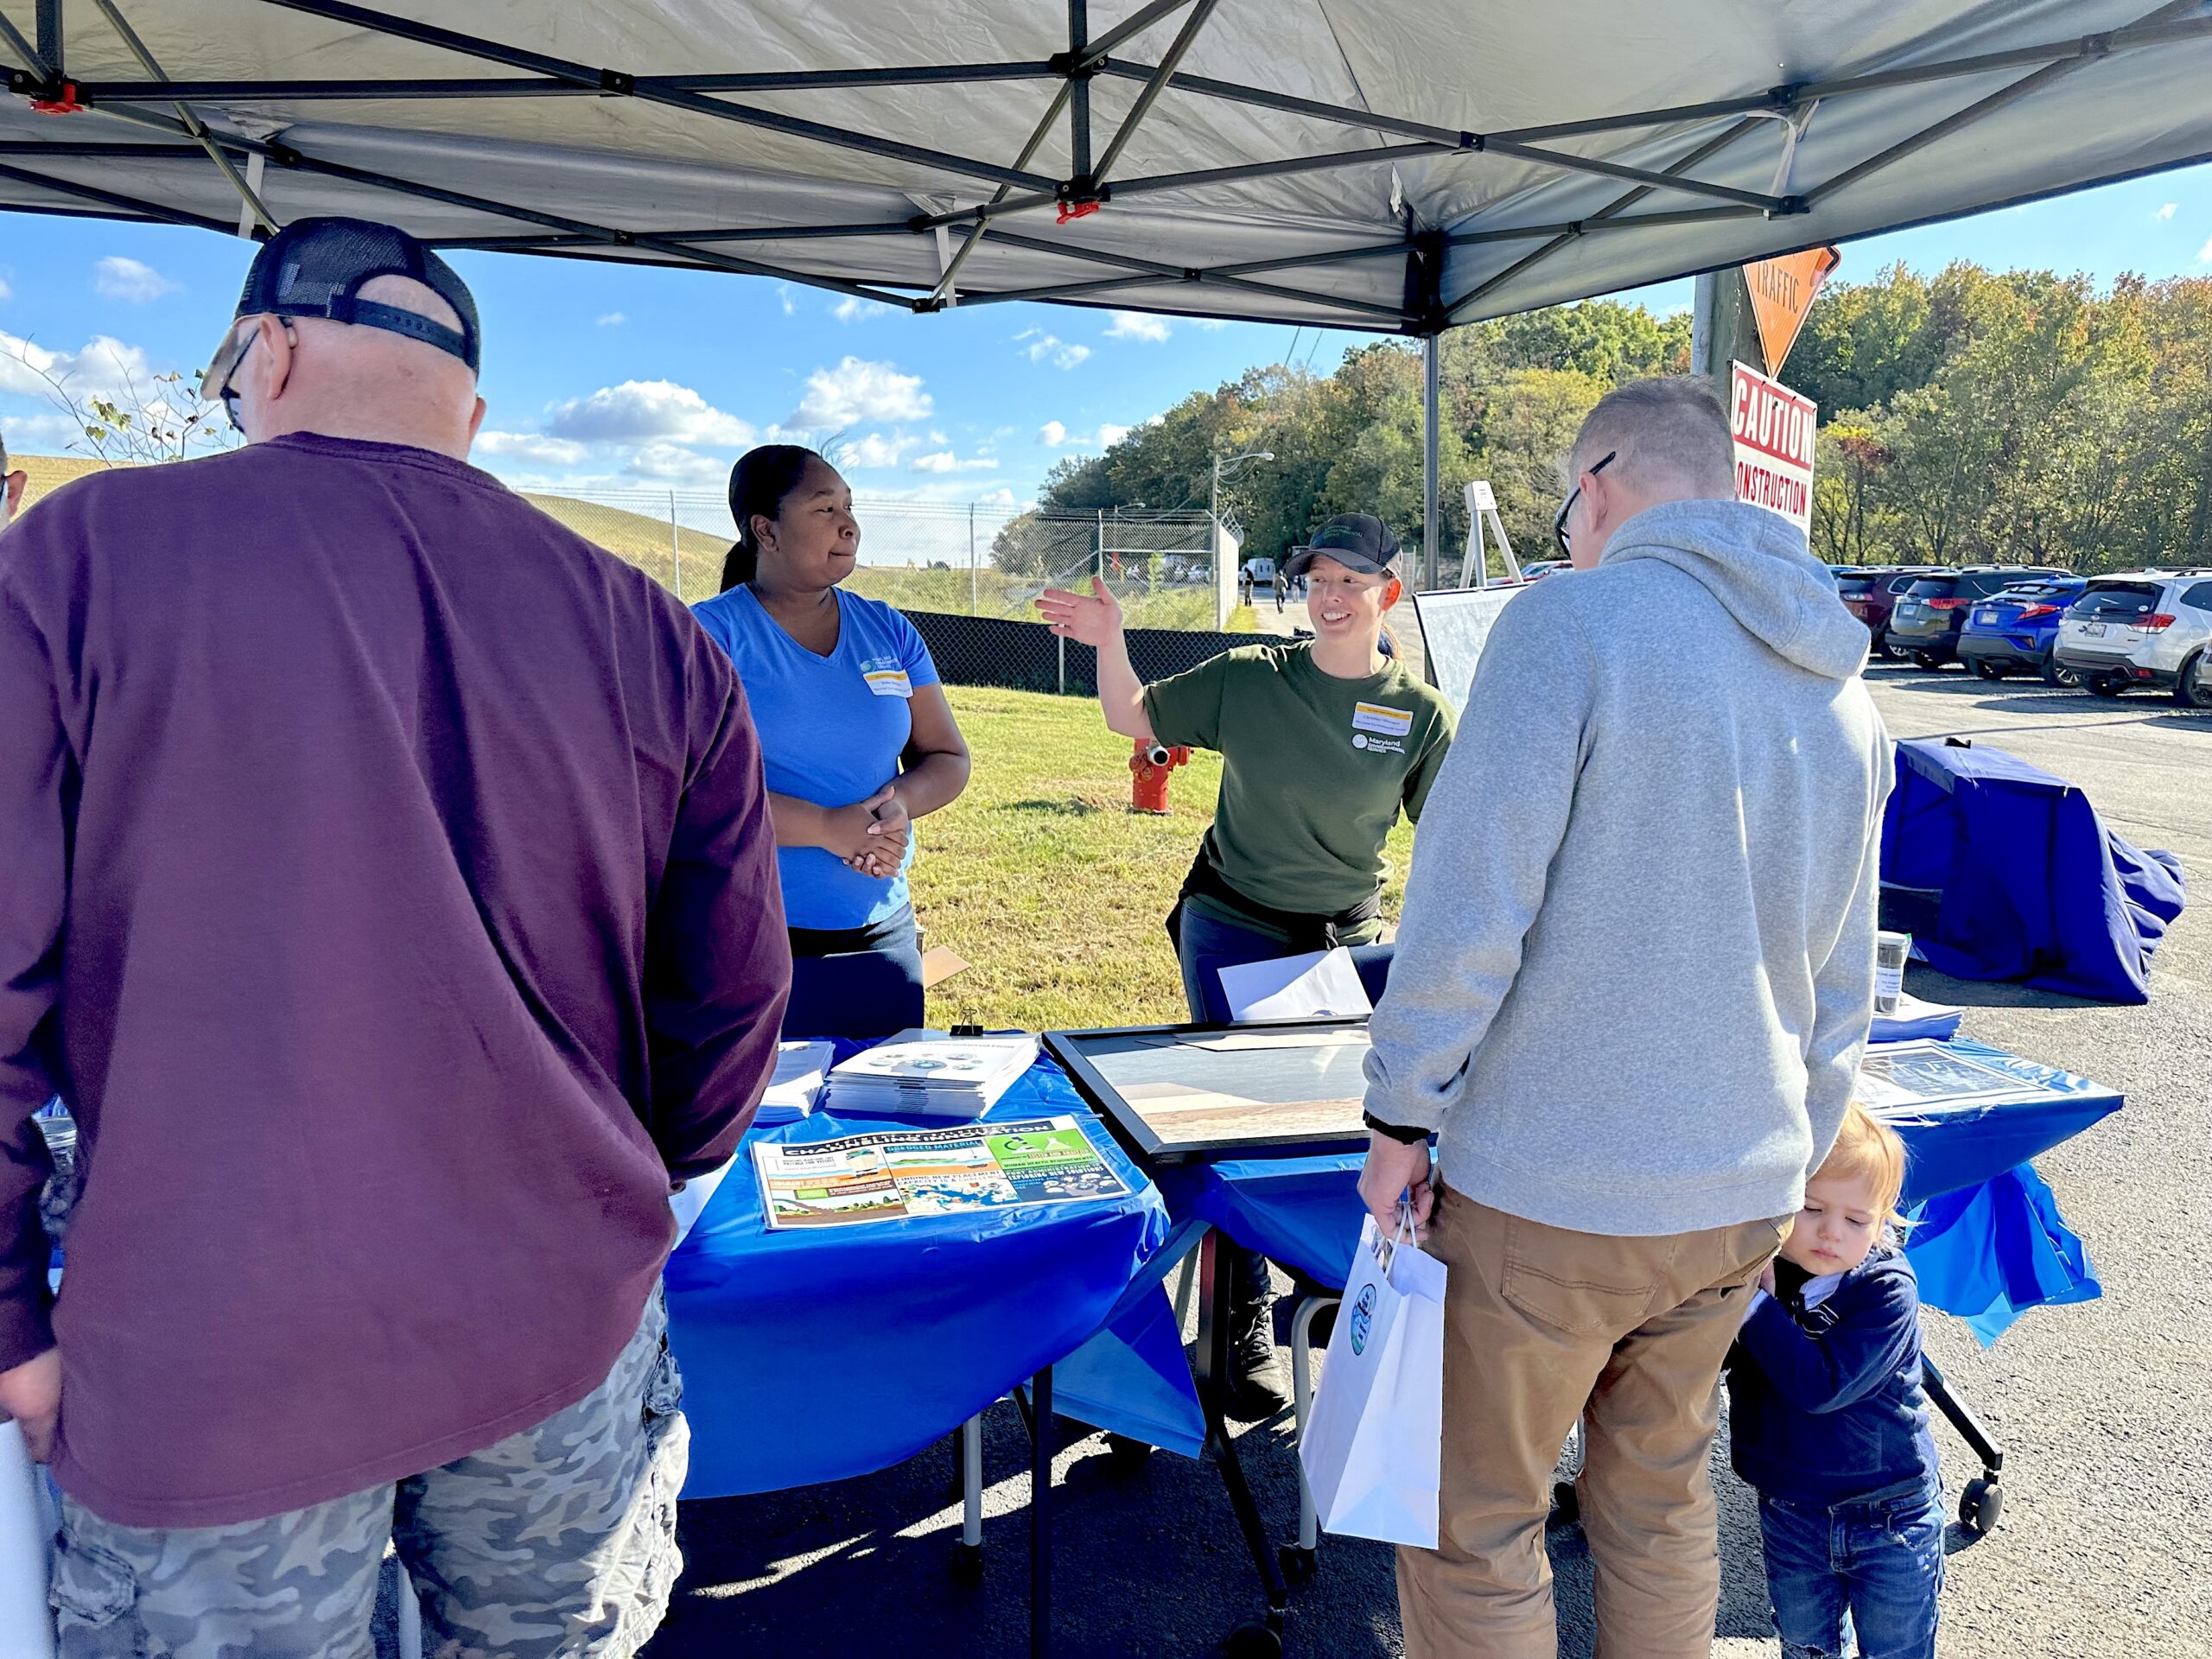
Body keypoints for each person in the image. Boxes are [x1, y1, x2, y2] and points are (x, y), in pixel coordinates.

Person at [0, 217, 791, 1658]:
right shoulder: (648, 626)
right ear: (472, 414)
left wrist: (7, 1312)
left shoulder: (85, 554)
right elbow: (735, 991)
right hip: (558, 1331)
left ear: (270, 352)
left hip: (218, 1362)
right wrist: (625, 1194)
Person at [1358, 377, 1892, 1658]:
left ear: (1596, 484)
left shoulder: (1573, 629)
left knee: (1475, 1521)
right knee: (1656, 1505)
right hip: (1736, 1196)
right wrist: (1793, 1145)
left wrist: (1398, 1116)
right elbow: (1840, 986)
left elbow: (1467, 908)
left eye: (1565, 511)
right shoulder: (1846, 693)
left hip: (1553, 1185)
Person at [1039, 512, 1453, 1418]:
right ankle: (1238, 1332)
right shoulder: (1248, 678)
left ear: (1389, 593)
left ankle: (1350, 1299)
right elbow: (1129, 718)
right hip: (1232, 928)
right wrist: (1112, 642)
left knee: (1346, 1122)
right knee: (1241, 1128)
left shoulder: (1419, 715)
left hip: (1344, 941)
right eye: (1318, 582)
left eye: (1353, 581)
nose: (1333, 598)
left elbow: (1457, 844)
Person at [690, 447, 970, 1001]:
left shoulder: (887, 629)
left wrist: (892, 806)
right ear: (766, 531)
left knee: (883, 1089)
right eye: (824, 509)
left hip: (881, 932)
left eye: (849, 506)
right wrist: (825, 826)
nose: (849, 525)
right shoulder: (707, 637)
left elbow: (947, 758)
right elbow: (684, 794)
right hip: (746, 943)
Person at [1728, 1103, 1944, 1659]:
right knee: (1806, 1645)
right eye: (1812, 1208)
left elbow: (1823, 1387)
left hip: (1889, 1509)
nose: (1831, 1233)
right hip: (1792, 1506)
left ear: (1884, 1220)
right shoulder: (1764, 1267)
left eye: (1856, 1220)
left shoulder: (1885, 1290)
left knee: (1896, 1649)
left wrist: (1755, 1307)